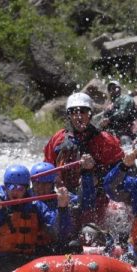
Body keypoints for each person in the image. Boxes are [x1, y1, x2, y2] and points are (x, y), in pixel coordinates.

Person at [44, 92, 124, 229]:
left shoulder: (104, 140)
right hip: (65, 193)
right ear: (69, 115)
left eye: (83, 112)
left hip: (95, 196)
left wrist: (96, 173)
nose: (79, 116)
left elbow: (119, 170)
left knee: (88, 180)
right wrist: (55, 183)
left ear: (90, 115)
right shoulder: (58, 138)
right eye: (74, 112)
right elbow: (47, 166)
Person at [29, 162, 78, 254]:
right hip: (33, 247)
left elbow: (84, 202)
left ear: (52, 185)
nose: (40, 188)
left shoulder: (61, 196)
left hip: (52, 245)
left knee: (74, 245)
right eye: (37, 184)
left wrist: (87, 173)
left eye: (45, 184)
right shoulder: (26, 197)